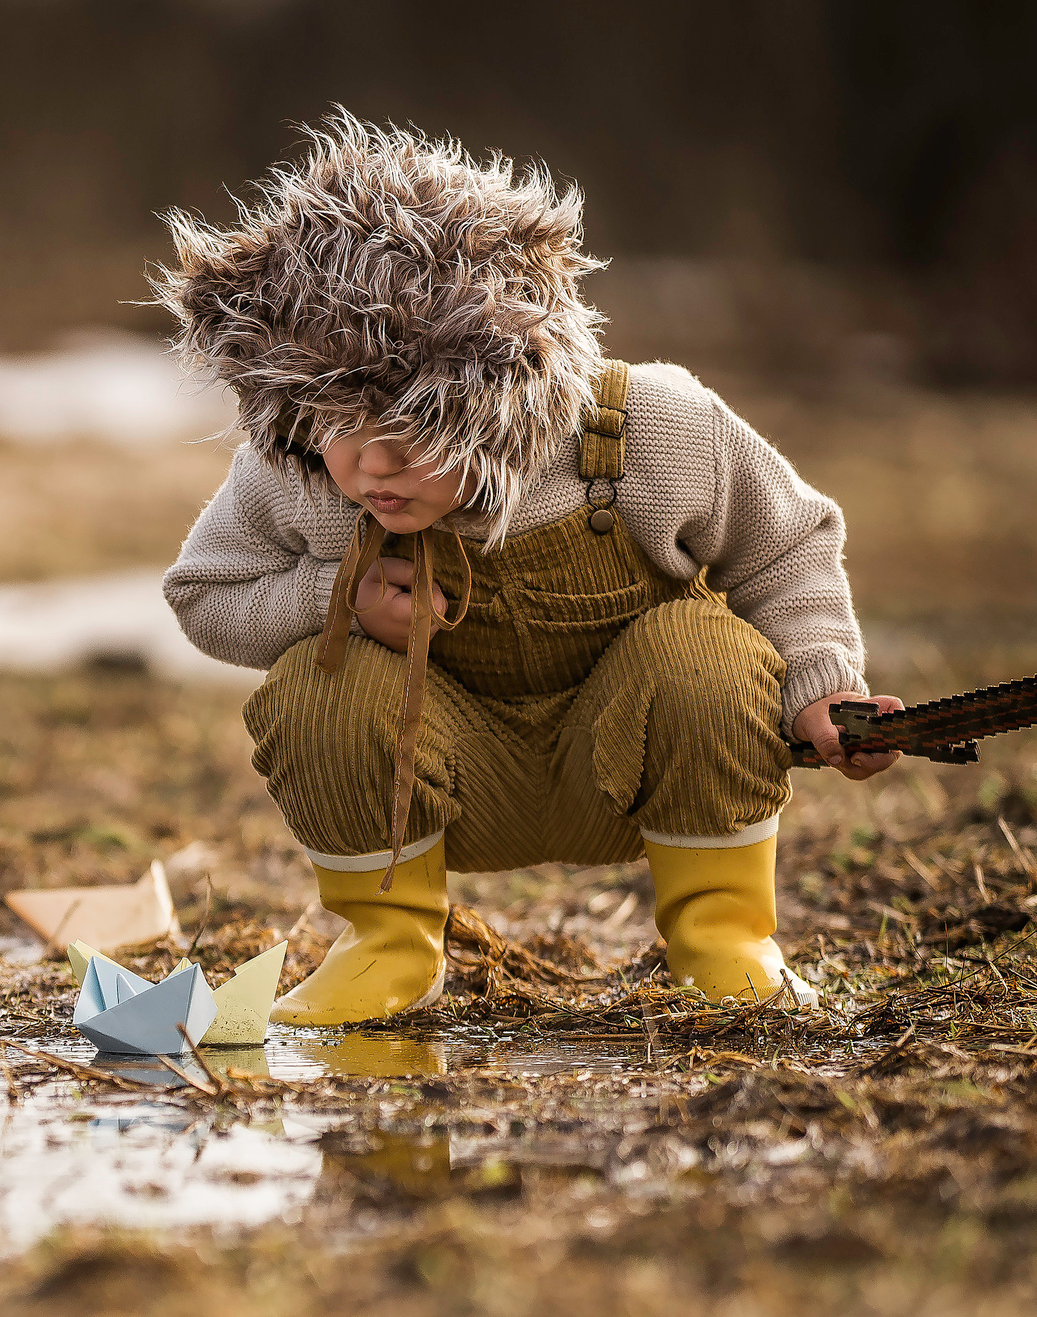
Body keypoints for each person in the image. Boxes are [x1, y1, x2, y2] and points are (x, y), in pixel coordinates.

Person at [155, 113, 899, 1024]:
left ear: (501, 393)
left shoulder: (649, 431)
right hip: (441, 784)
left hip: (636, 772)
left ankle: (723, 936)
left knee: (706, 652)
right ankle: (388, 946)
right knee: (319, 681)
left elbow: (786, 544)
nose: (372, 465)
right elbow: (203, 592)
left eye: (412, 427)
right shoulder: (298, 474)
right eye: (338, 423)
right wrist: (333, 597)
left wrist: (825, 686)